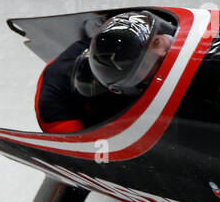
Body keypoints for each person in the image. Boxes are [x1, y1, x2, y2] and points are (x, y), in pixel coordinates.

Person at [34, 10, 177, 131]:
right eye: (146, 64)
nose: (162, 54)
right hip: (60, 115)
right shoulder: (57, 112)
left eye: (157, 42)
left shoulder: (114, 45)